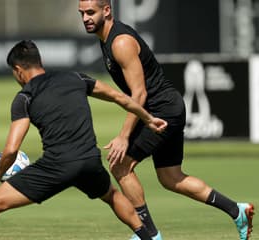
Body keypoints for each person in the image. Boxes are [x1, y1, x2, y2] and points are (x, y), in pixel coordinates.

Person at [77, 0, 254, 240]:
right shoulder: (106, 39)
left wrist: (123, 136)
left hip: (162, 111)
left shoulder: (120, 42)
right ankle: (237, 211)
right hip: (164, 109)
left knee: (120, 165)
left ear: (106, 10)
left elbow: (139, 93)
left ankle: (149, 235)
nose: (86, 18)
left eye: (90, 12)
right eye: (82, 13)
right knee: (171, 178)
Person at [0, 40, 168, 240]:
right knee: (112, 196)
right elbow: (120, 97)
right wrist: (148, 118)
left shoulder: (25, 97)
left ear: (18, 70)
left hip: (56, 166)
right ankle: (148, 237)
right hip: (90, 161)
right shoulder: (76, 78)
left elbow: (12, 150)